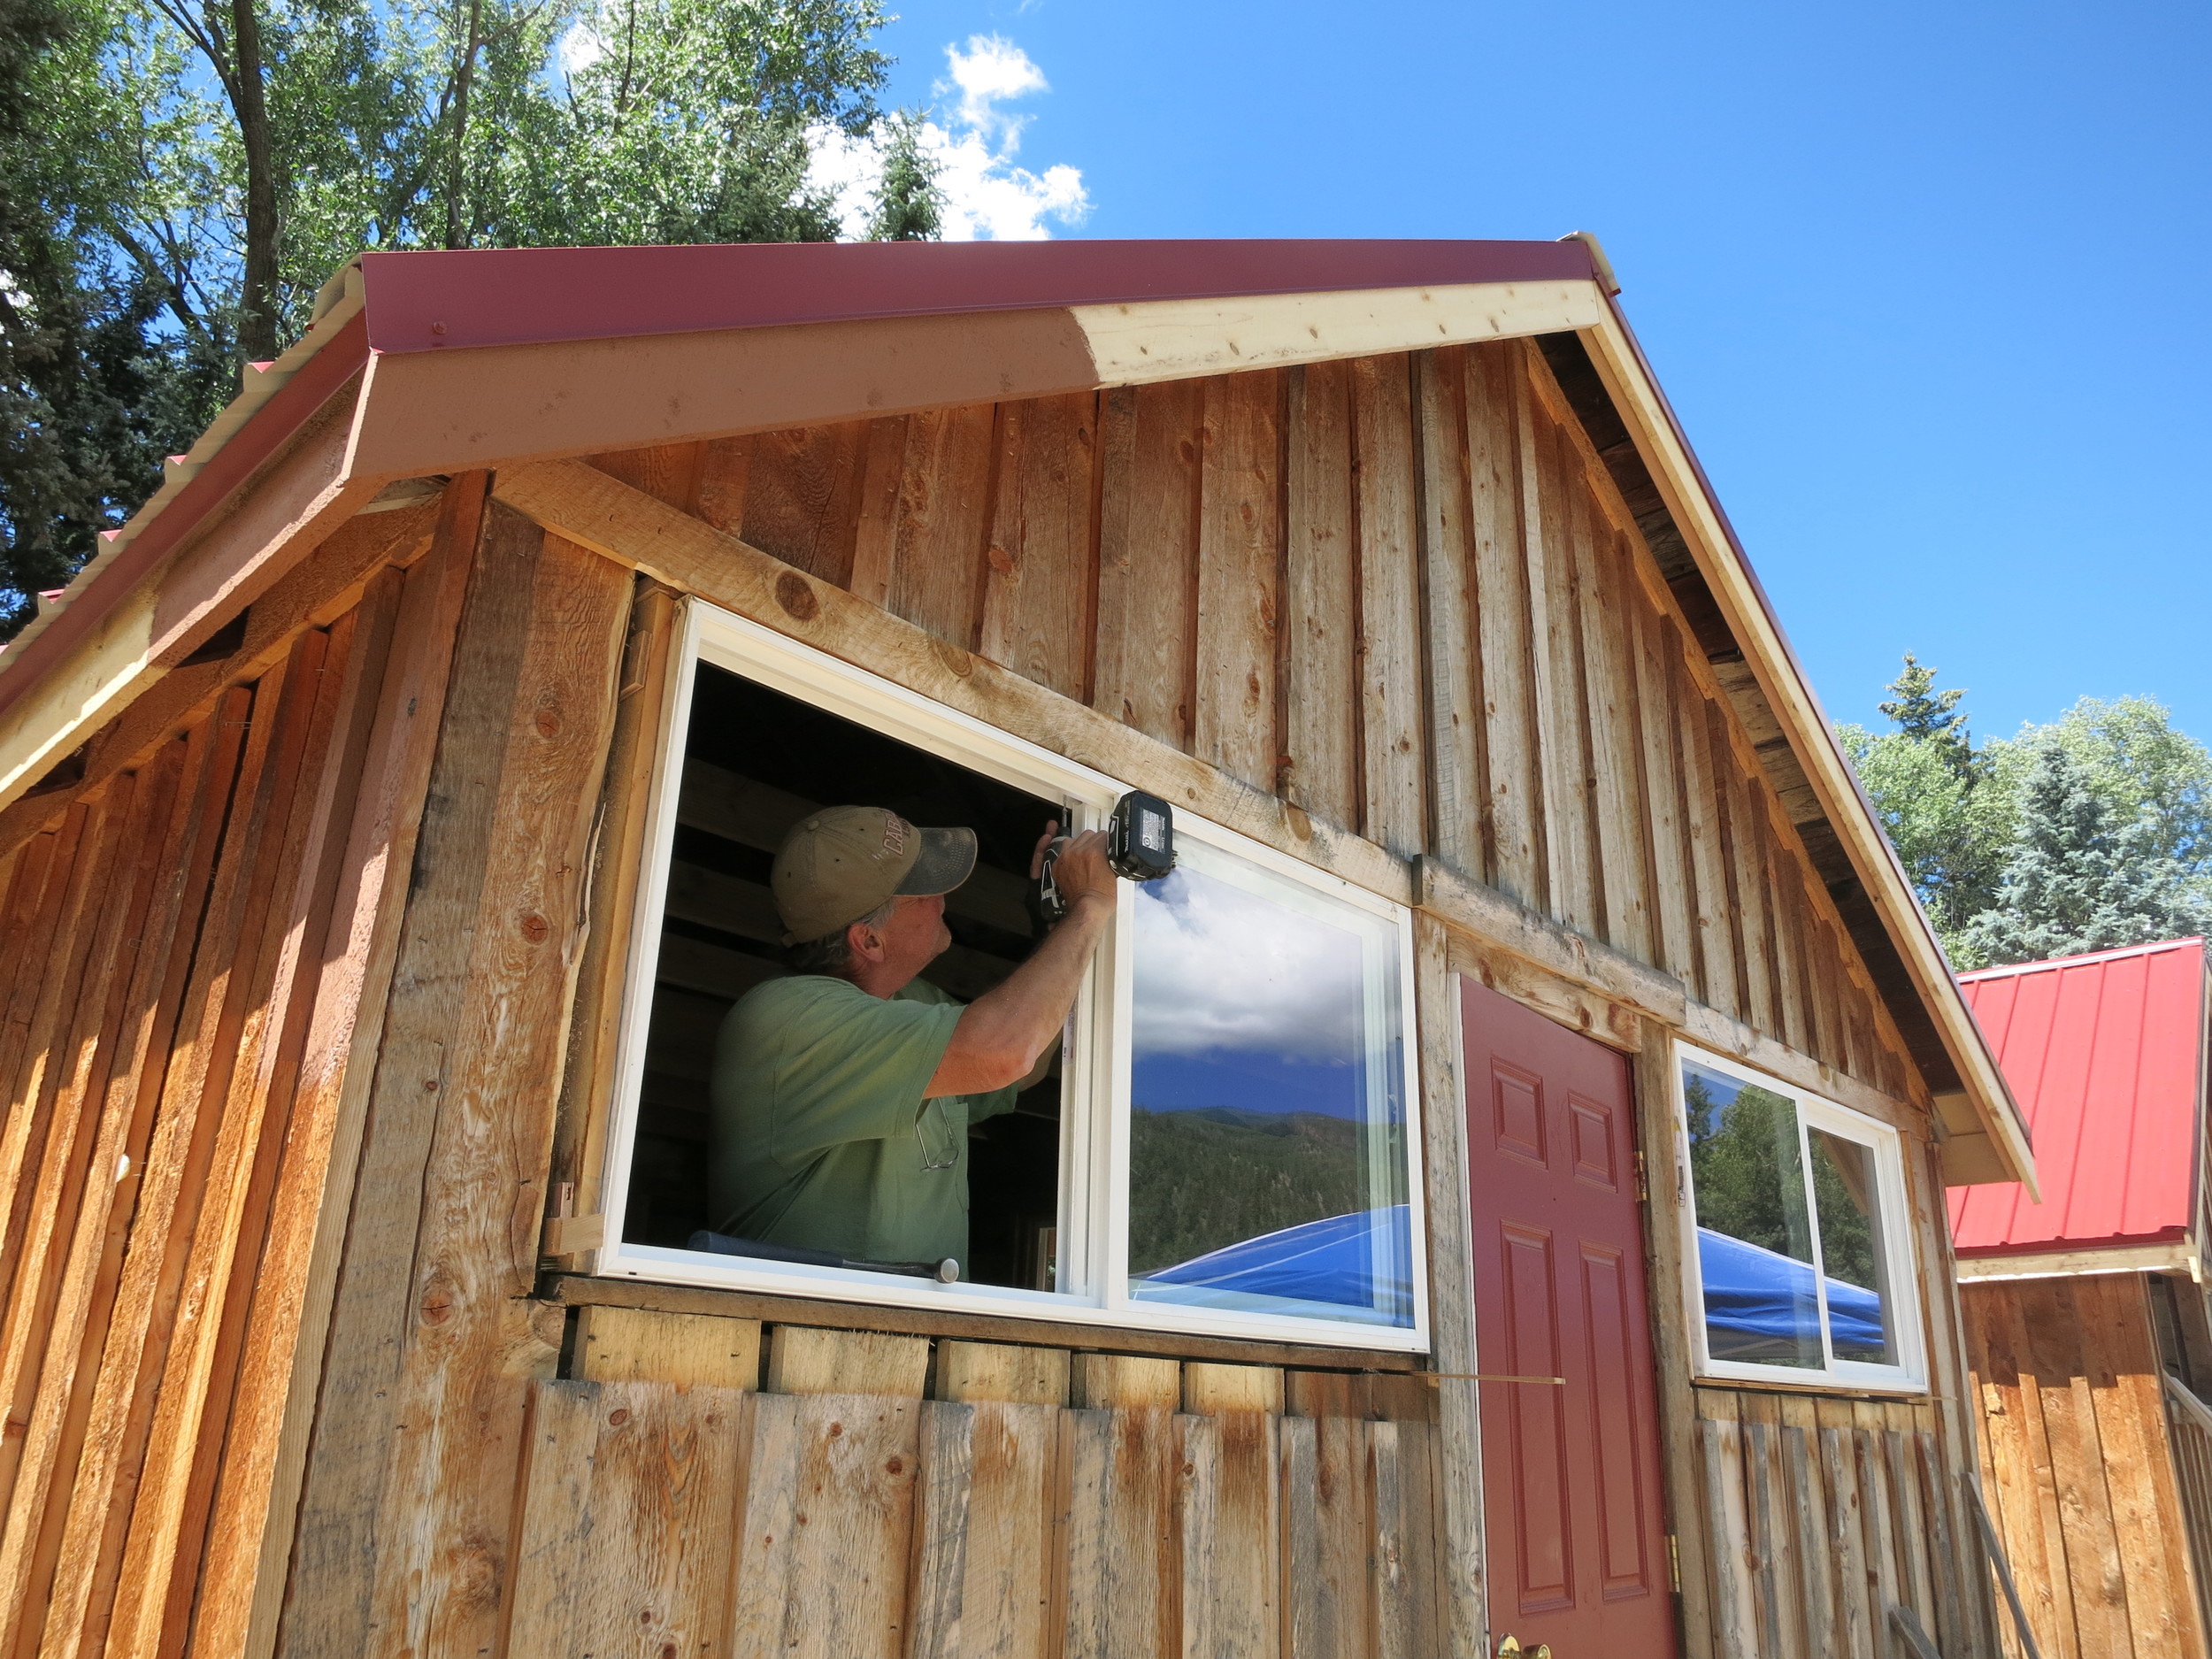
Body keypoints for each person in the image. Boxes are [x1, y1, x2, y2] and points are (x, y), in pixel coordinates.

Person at [706, 804, 1114, 1274]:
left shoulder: (912, 1000)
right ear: (870, 941)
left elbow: (1025, 1066)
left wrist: (1053, 922)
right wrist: (1091, 905)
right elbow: (1007, 1051)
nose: (943, 896)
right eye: (922, 891)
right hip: (815, 1337)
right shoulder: (785, 1019)